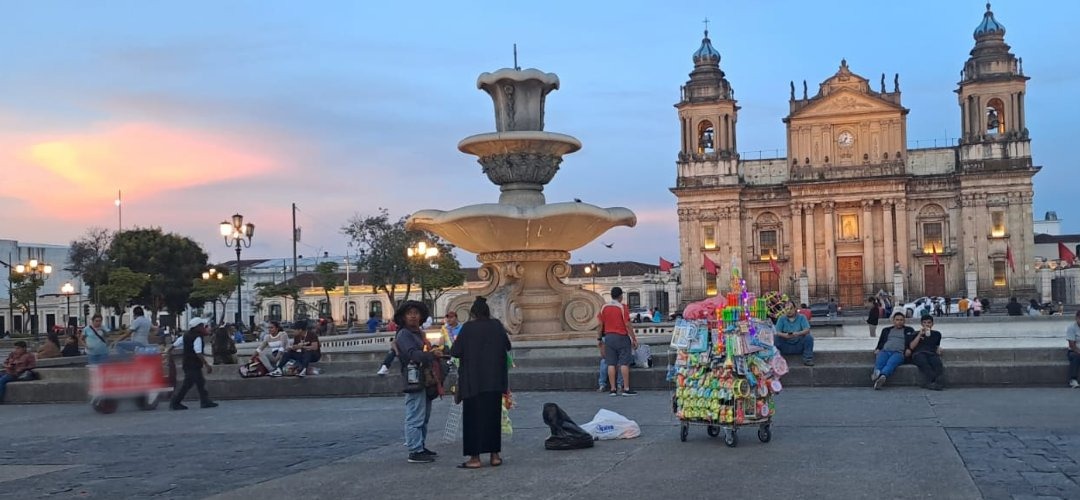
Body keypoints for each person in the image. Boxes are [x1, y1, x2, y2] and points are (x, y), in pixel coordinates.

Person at [450, 297, 511, 469]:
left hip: (473, 382)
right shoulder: (497, 326)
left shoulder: (468, 328)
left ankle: (475, 458)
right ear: (487, 311)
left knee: (473, 420)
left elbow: (455, 351)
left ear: (473, 313)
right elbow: (507, 345)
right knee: (492, 418)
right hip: (494, 381)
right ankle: (494, 455)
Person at [394, 300, 442, 463]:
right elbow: (412, 354)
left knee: (424, 414)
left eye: (416, 313)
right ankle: (415, 449)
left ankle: (420, 444)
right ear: (403, 317)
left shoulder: (418, 333)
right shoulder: (404, 334)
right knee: (415, 413)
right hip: (413, 376)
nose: (413, 316)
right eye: (409, 313)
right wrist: (431, 355)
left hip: (424, 376)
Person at [597, 286, 638, 396]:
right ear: (620, 296)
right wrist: (633, 339)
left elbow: (600, 324)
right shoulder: (622, 307)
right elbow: (627, 324)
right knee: (624, 363)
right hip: (621, 337)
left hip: (609, 337)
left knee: (611, 363)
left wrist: (599, 338)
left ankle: (613, 389)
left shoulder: (604, 307)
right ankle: (626, 388)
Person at [169, 318, 217, 410]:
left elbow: (175, 344)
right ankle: (175, 402)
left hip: (187, 363)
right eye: (202, 326)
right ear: (198, 327)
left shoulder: (186, 335)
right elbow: (198, 352)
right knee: (188, 384)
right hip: (193, 364)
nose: (204, 328)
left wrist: (168, 352)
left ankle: (205, 401)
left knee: (199, 382)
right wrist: (206, 364)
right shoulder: (197, 337)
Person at [871, 312, 915, 390]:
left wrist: (909, 349)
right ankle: (876, 374)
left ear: (904, 321)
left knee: (891, 363)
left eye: (901, 320)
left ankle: (883, 376)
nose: (899, 322)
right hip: (885, 351)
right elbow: (881, 342)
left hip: (898, 353)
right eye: (897, 320)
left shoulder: (909, 330)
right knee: (880, 361)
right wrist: (877, 349)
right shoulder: (886, 330)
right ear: (893, 321)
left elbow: (912, 342)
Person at [908, 315, 945, 390]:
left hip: (931, 353)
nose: (927, 324)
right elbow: (911, 346)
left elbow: (936, 345)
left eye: (929, 322)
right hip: (918, 353)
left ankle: (935, 382)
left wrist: (939, 348)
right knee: (923, 363)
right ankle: (931, 382)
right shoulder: (915, 333)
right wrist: (920, 335)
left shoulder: (937, 334)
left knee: (937, 363)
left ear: (932, 324)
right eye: (924, 323)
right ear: (921, 324)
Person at [1065, 311, 1080, 388]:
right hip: (1074, 351)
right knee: (1076, 356)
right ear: (1076, 318)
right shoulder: (1071, 328)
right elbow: (1072, 345)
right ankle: (1073, 380)